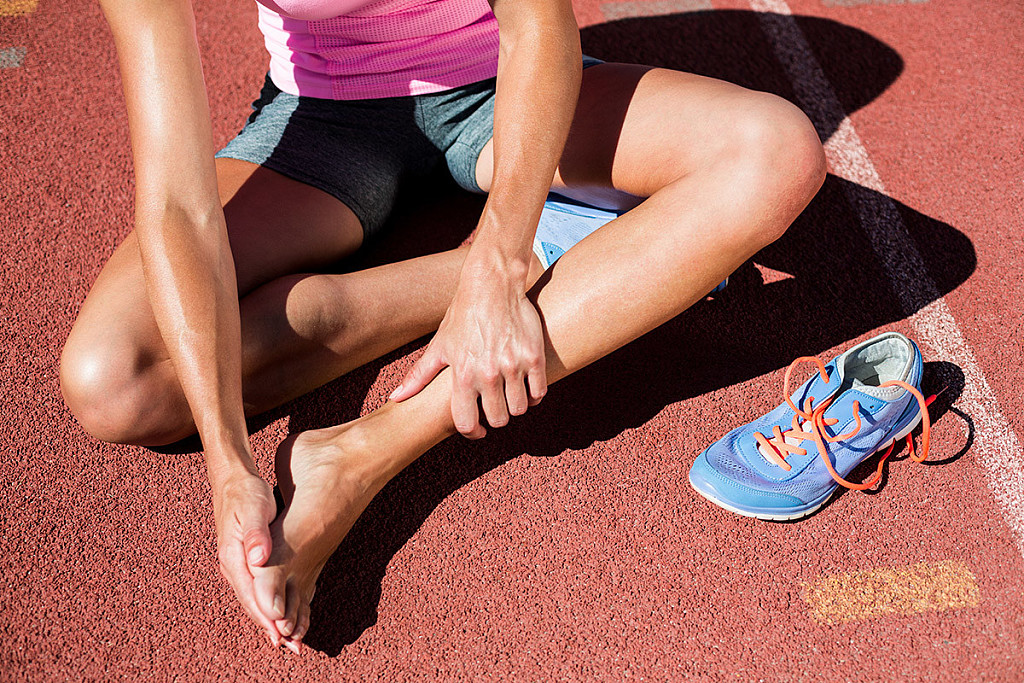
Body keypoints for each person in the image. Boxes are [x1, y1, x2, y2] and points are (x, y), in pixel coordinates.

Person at [59, 0, 826, 654]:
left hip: (500, 85)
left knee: (773, 153)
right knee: (115, 382)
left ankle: (358, 457)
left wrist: (501, 259)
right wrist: (228, 463)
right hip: (321, 116)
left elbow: (536, 30)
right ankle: (571, 252)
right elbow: (177, 205)